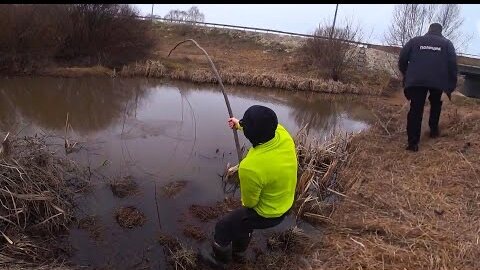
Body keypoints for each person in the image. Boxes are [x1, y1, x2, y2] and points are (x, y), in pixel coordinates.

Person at [200, 105, 298, 268]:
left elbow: (250, 204)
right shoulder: (282, 134)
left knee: (223, 227)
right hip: (287, 201)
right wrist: (238, 124)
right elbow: (262, 129)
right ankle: (239, 252)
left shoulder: (250, 168)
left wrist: (245, 179)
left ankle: (219, 261)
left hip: (269, 214)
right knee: (243, 224)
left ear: (251, 135)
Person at [398, 23, 458, 152]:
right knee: (436, 104)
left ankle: (412, 143)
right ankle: (433, 131)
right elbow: (453, 66)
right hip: (438, 81)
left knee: (416, 109)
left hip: (416, 80)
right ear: (440, 31)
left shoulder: (415, 41)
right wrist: (451, 85)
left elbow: (402, 59)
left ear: (429, 30)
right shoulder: (447, 44)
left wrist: (406, 74)